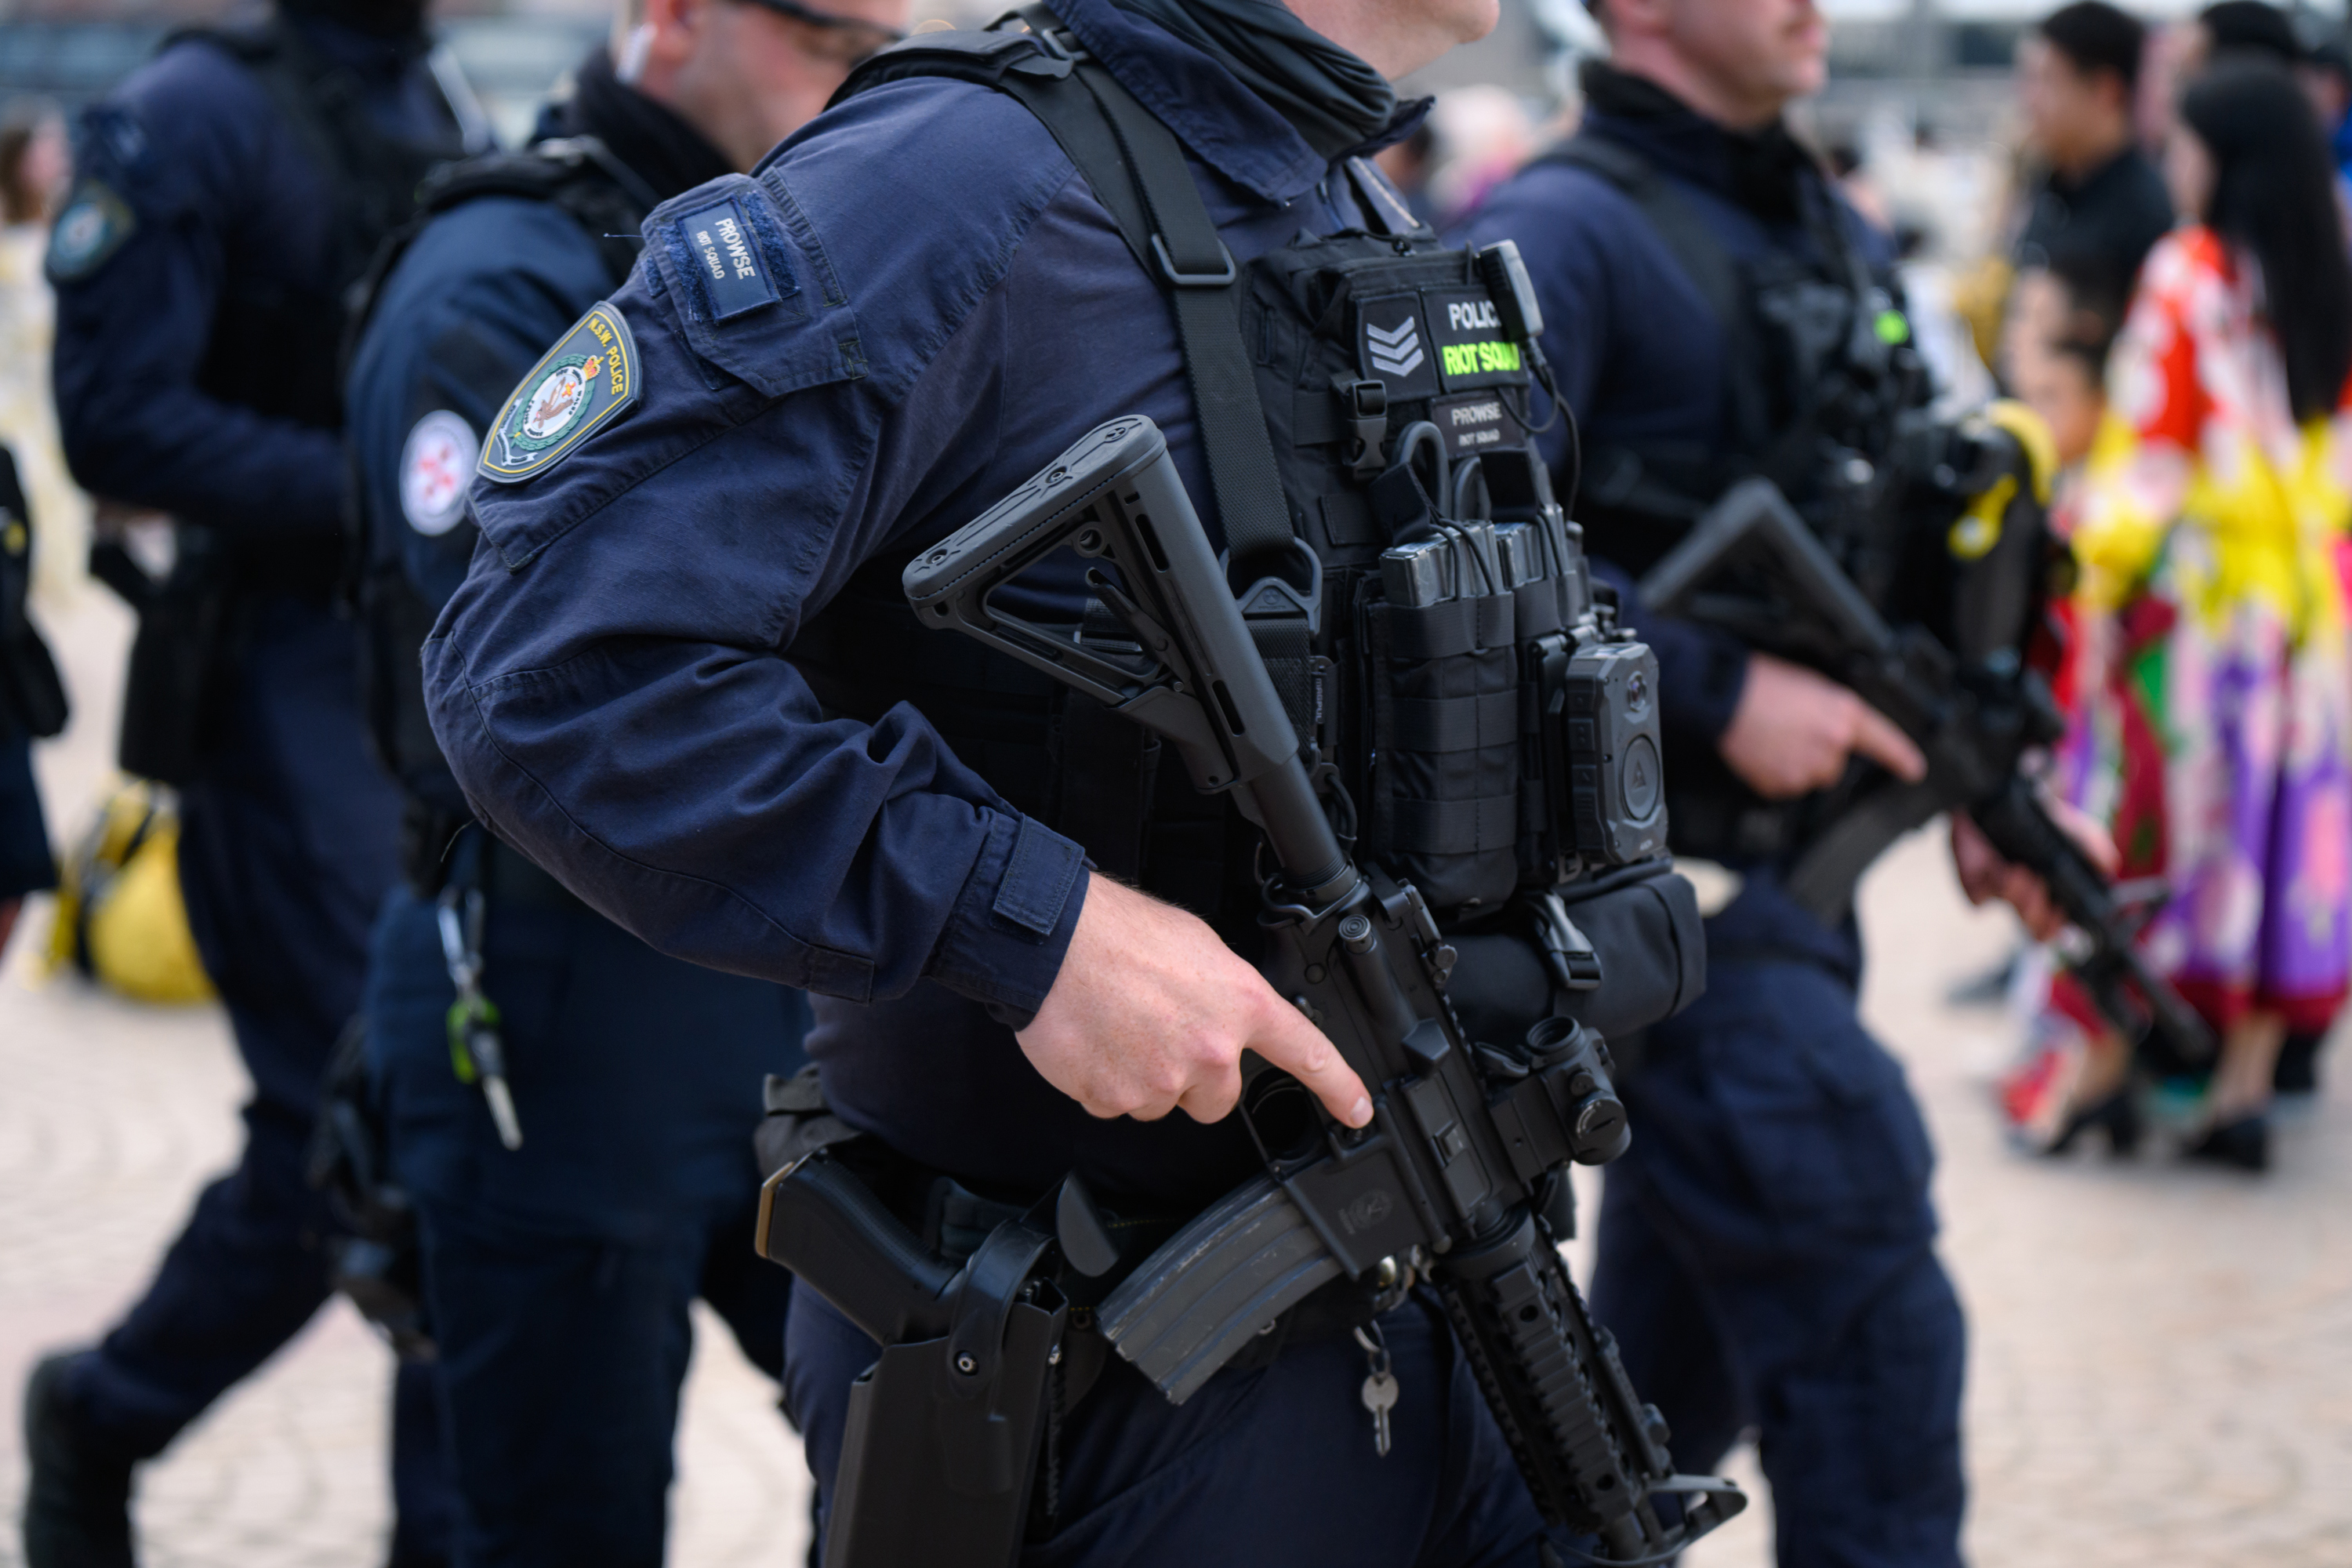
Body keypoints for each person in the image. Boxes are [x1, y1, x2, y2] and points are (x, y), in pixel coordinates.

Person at [410, 0, 1740, 1554]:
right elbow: (548, 669)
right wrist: (1029, 926)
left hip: (1447, 1300)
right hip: (1116, 1367)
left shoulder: (1341, 192)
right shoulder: (951, 185)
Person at [1457, 0, 2089, 1560]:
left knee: (1629, 1429)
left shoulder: (1826, 227)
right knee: (1874, 1352)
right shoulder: (1559, 233)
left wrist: (1981, 783)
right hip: (1663, 915)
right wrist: (1719, 686)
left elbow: (1910, 539)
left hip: (1789, 912)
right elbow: (1457, 544)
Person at [340, 0, 902, 1555]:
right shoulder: (501, 278)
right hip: (559, 999)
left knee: (916, 1476)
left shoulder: (773, 260)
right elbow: (534, 692)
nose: (873, 92)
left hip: (756, 991)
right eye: (843, 49)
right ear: (674, 17)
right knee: (558, 1519)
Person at [21, 4, 479, 1564]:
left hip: (425, 683)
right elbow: (115, 423)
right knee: (353, 1123)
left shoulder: (433, 93)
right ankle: (105, 1410)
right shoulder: (192, 112)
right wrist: (385, 483)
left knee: (459, 1126)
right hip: (275, 685)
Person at [2037, 56, 2352, 1172]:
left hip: (2199, 610)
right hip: (2309, 613)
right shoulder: (2331, 272)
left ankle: (2105, 1076)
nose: (2173, 164)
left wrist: (2096, 580)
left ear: (2226, 159)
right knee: (2282, 835)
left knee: (2146, 827)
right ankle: (2245, 1089)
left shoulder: (2189, 274)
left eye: (2185, 145)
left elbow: (2146, 461)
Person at [2013, 4, 2172, 307]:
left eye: (2046, 80)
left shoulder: (2146, 214)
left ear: (2105, 91)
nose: (2029, 99)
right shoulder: (2052, 182)